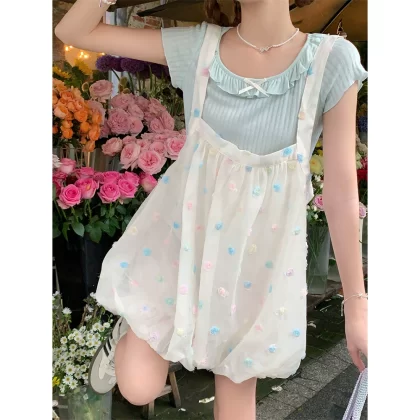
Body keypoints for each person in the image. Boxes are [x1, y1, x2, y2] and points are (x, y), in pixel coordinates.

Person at [55, 1, 368, 419]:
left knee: (237, 396)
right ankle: (131, 324)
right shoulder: (198, 48)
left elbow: (343, 192)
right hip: (180, 247)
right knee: (137, 386)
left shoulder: (332, 60)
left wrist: (357, 303)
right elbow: (74, 33)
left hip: (257, 266)